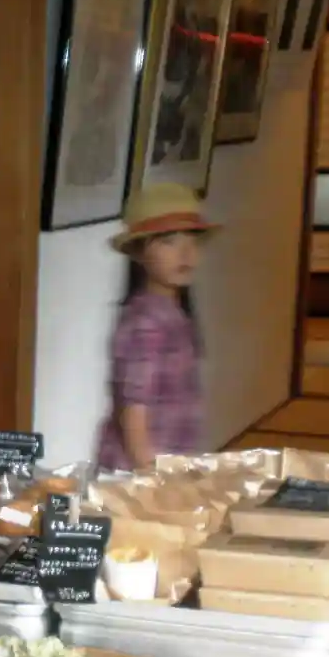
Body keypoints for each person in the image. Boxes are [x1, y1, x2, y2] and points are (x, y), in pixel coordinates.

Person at [95, 182, 215, 472]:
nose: (185, 253)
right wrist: (153, 481)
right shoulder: (144, 323)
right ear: (138, 253)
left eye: (192, 239)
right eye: (168, 241)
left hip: (170, 467)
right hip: (139, 475)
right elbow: (134, 417)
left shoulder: (174, 313)